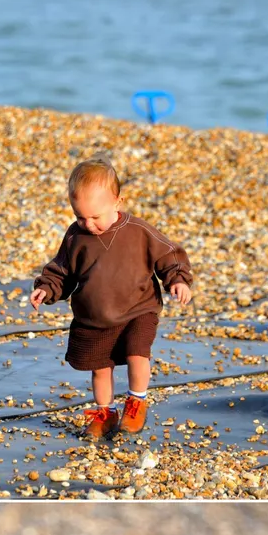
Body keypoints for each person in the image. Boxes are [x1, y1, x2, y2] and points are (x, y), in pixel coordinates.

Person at [31, 158, 193, 438]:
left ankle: (136, 401)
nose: (89, 224)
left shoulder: (138, 232)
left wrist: (177, 280)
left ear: (118, 202)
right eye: (80, 216)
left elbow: (169, 255)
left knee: (137, 353)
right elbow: (62, 270)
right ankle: (105, 413)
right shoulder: (76, 237)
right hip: (94, 318)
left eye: (95, 216)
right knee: (100, 369)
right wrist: (47, 288)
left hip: (138, 309)